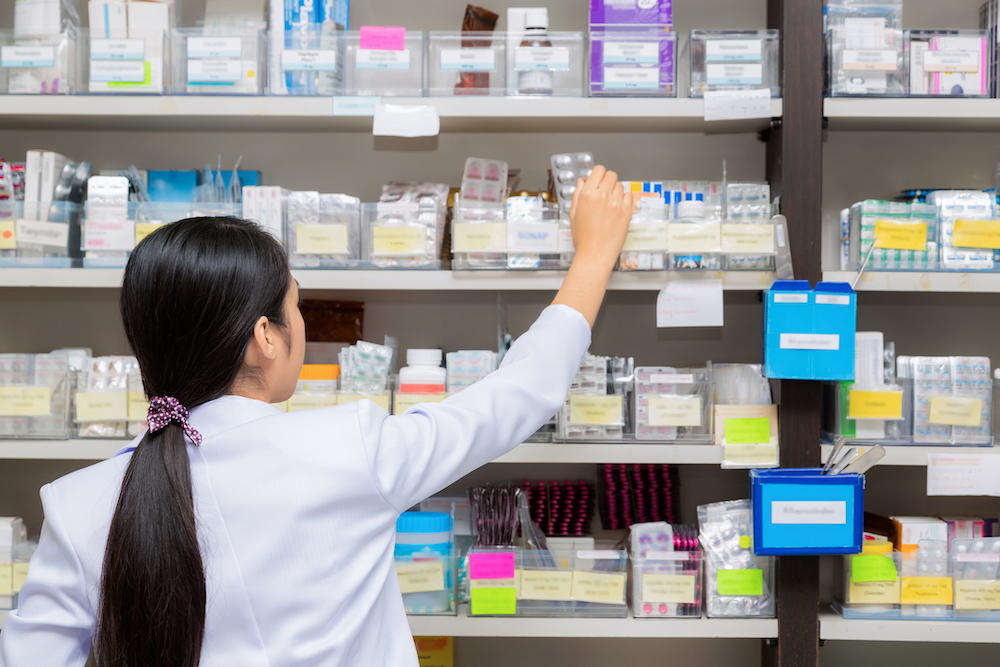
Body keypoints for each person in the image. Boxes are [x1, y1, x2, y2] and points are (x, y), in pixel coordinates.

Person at [0, 167, 632, 667]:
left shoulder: (80, 506)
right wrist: (594, 255)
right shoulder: (349, 449)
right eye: (296, 308)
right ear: (264, 337)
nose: (300, 324)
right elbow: (521, 391)